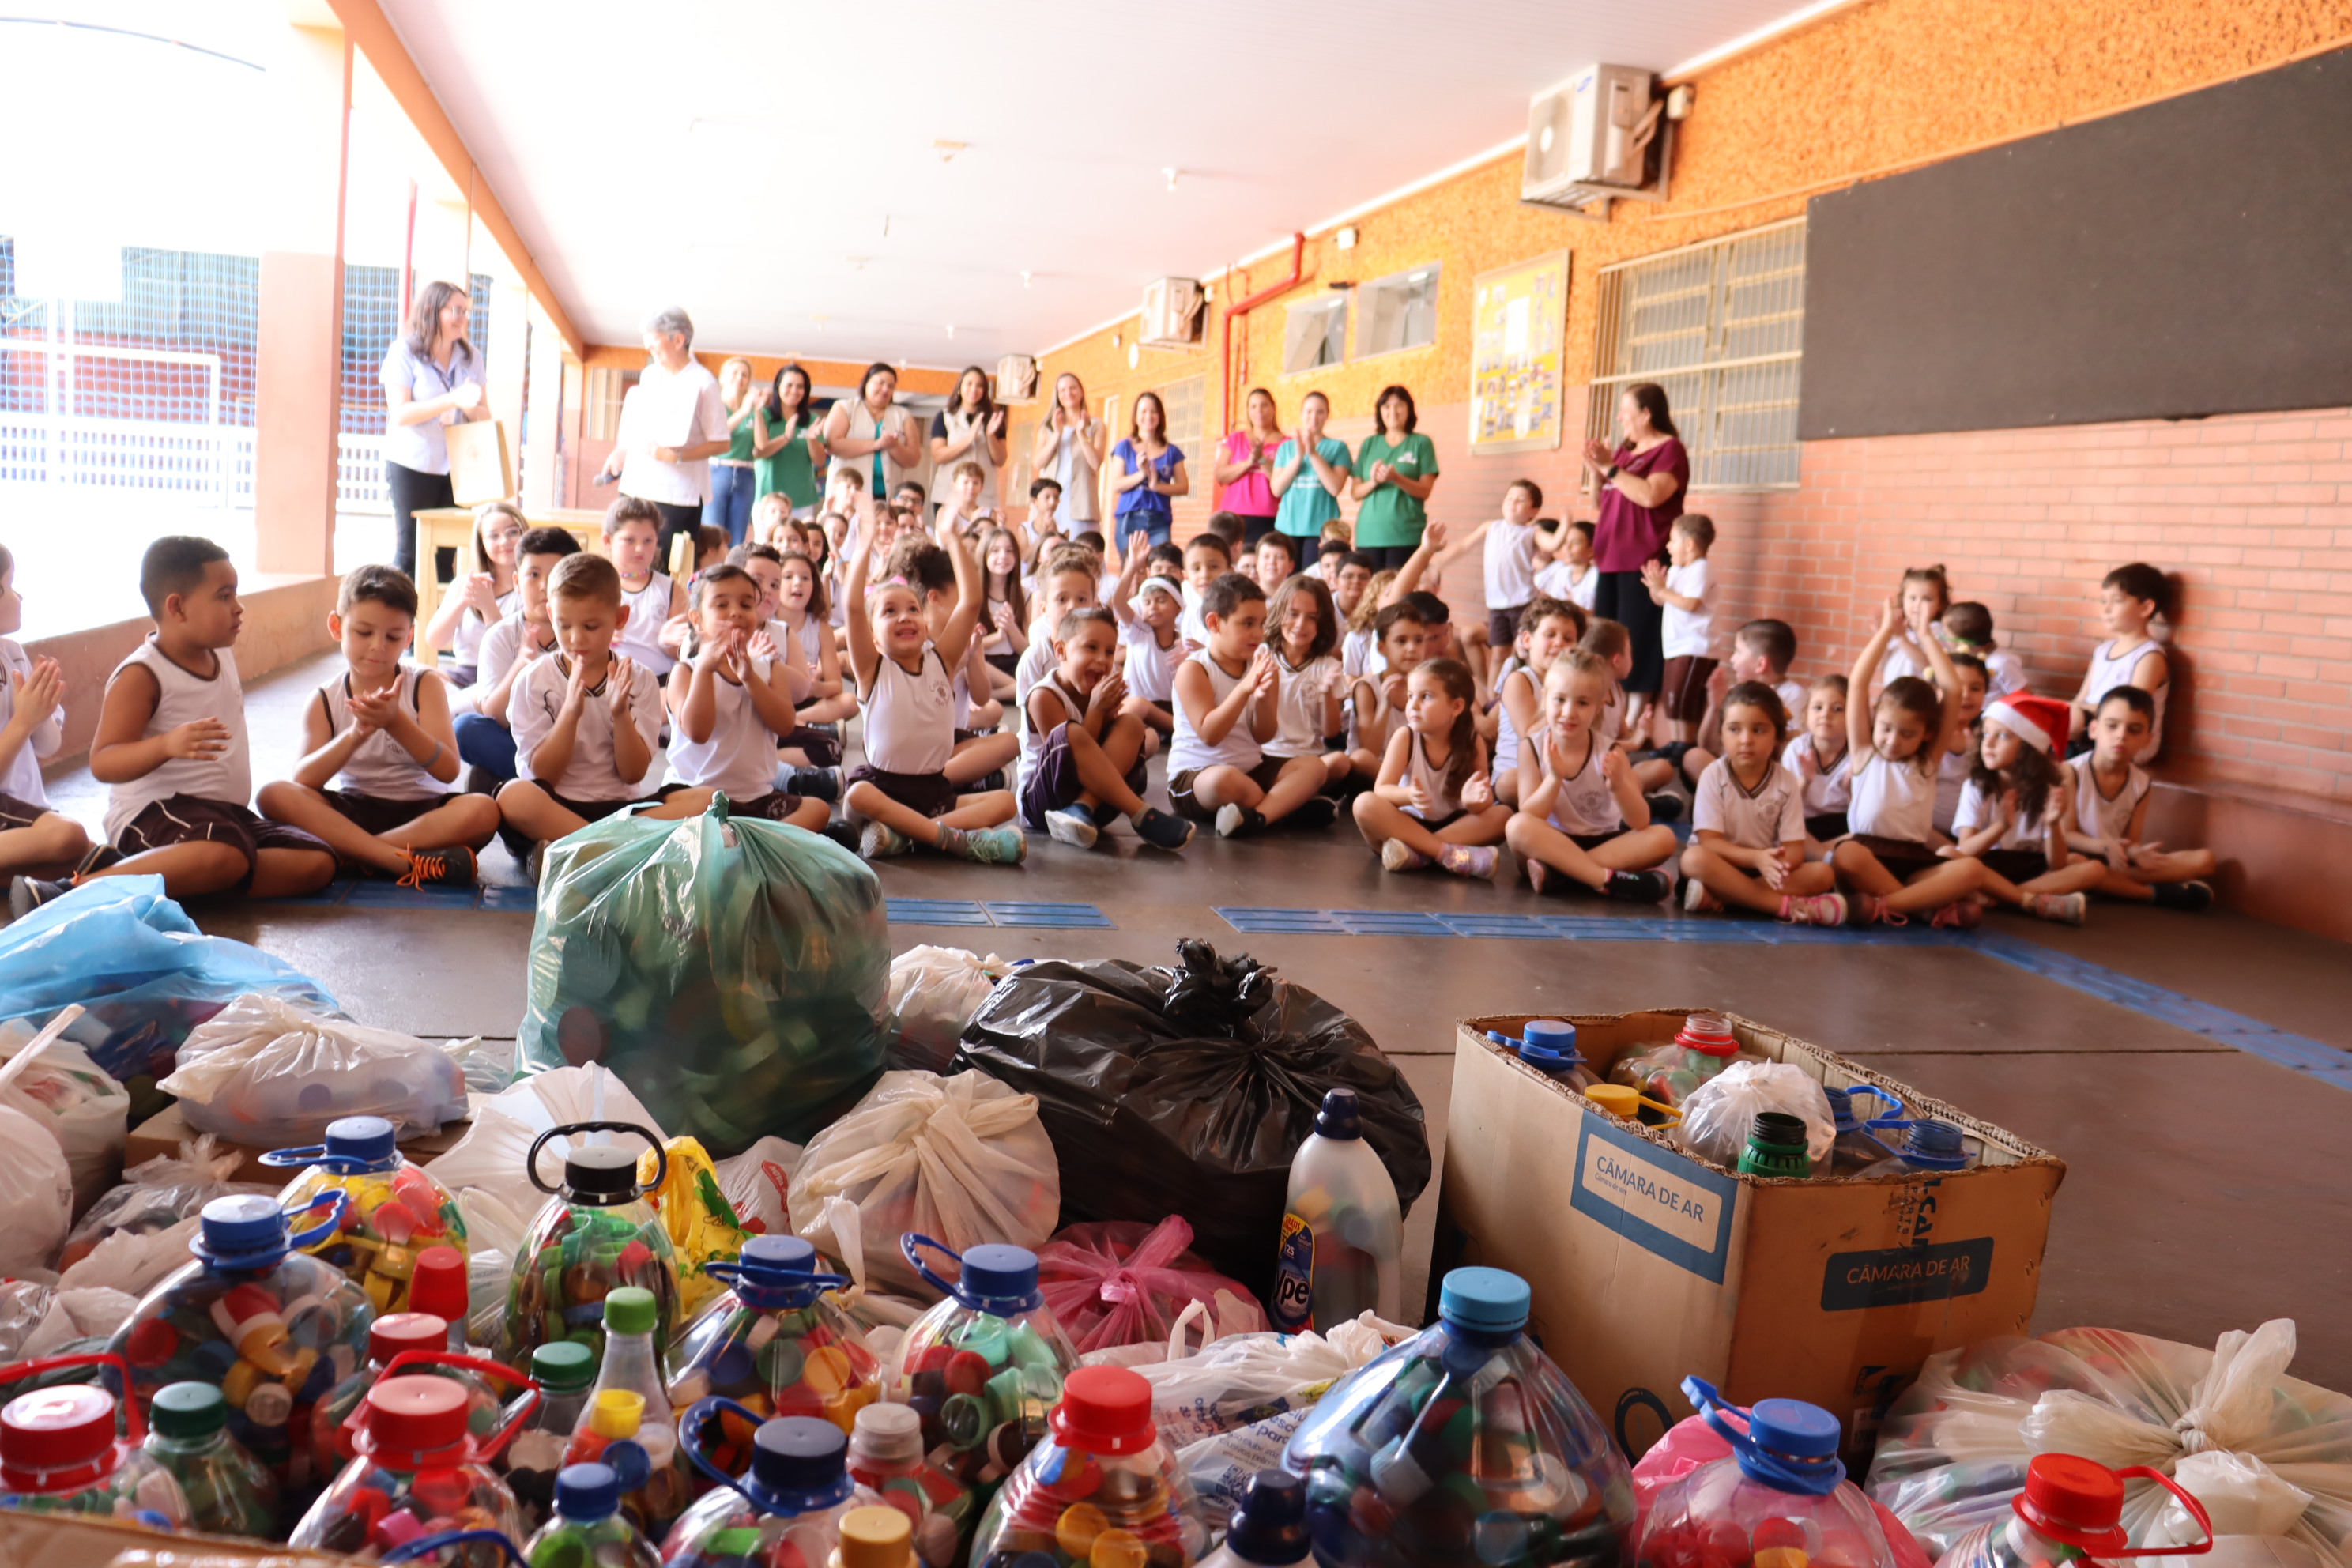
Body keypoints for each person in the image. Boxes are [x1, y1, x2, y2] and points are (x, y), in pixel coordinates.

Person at [13, 537, 337, 914]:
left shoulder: (221, 652)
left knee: (316, 862)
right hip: (153, 817)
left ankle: (149, 881)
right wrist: (166, 745)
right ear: (177, 607)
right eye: (224, 596)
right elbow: (103, 761)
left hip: (220, 819)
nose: (239, 607)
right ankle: (74, 891)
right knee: (228, 856)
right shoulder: (142, 674)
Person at [255, 565, 499, 884]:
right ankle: (397, 861)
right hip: (352, 813)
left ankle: (357, 855)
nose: (377, 647)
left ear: (409, 636)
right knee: (273, 795)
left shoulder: (424, 684)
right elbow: (304, 778)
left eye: (393, 636)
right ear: (337, 626)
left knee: (484, 810)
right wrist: (356, 735)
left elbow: (449, 770)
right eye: (364, 632)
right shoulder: (325, 699)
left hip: (422, 815)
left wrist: (397, 722)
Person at [495, 554, 711, 861]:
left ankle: (581, 852)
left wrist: (620, 715)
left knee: (706, 799)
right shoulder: (532, 680)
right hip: (557, 807)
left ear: (620, 618)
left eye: (591, 626)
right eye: (564, 625)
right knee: (514, 798)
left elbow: (633, 774)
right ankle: (618, 852)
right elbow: (543, 775)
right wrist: (570, 713)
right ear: (549, 613)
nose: (576, 638)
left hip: (620, 811)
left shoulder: (639, 679)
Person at [841, 524, 1023, 863]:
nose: (905, 617)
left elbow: (970, 602)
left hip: (932, 791)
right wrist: (865, 543)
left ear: (925, 623)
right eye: (890, 612)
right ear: (874, 638)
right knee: (858, 795)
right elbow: (852, 607)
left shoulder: (943, 661)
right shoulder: (872, 670)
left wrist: (952, 538)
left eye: (913, 609)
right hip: (883, 789)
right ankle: (953, 840)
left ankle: (904, 838)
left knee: (1006, 802)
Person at [1832, 594, 1988, 926]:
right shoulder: (1864, 753)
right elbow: (1858, 684)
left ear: (1927, 735)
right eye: (1886, 729)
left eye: (1906, 734)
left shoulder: (1927, 762)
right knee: (1846, 854)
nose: (1892, 741)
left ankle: (1888, 905)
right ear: (1875, 721)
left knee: (1972, 869)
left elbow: (1952, 690)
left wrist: (1927, 635)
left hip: (1914, 863)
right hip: (1867, 857)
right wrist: (1886, 632)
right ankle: (1925, 908)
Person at [664, 564, 831, 833]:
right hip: (695, 795)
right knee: (676, 810)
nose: (736, 613)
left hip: (756, 798)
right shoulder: (686, 671)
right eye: (721, 605)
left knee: (818, 810)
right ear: (697, 620)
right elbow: (698, 731)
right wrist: (706, 669)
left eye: (746, 604)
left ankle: (738, 843)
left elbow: (785, 725)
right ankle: (758, 845)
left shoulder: (770, 667)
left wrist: (750, 677)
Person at [1168, 573, 1335, 839]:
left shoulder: (1261, 665)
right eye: (1247, 623)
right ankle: (1285, 808)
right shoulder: (1194, 668)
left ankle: (1258, 817)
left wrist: (1263, 698)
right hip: (1197, 775)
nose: (1258, 633)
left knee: (1314, 767)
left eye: (1261, 623)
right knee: (1224, 781)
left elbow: (1263, 735)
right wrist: (1246, 689)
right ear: (1215, 623)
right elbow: (1210, 734)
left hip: (1250, 769)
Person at [1504, 651, 1679, 901]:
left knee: (1663, 837)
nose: (1569, 712)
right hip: (1551, 846)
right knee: (1517, 826)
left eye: (1582, 703)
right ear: (1544, 700)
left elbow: (1640, 821)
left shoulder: (1610, 751)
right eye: (1560, 700)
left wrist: (1619, 786)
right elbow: (1531, 814)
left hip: (1603, 844)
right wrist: (1554, 778)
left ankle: (1563, 876)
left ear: (1598, 708)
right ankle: (1607, 880)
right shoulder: (1532, 747)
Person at [1021, 607, 1194, 852]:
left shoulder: (1100, 688)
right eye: (1091, 647)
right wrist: (1096, 710)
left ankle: (1083, 807)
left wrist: (1110, 717)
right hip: (1043, 806)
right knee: (1071, 732)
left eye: (1110, 651)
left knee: (1132, 723)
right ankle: (1141, 814)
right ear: (1061, 651)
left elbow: (1103, 750)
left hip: (1097, 801)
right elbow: (1068, 761)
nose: (1102, 659)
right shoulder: (1043, 696)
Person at [1678, 684, 1846, 924]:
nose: (1746, 740)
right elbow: (1710, 842)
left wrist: (1775, 864)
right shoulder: (1713, 775)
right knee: (1693, 859)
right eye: (1734, 729)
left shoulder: (1786, 782)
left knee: (1823, 873)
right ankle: (1782, 906)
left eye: (1758, 730)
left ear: (1778, 735)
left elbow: (1796, 849)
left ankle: (1725, 898)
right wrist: (1756, 857)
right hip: (1720, 865)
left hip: (1765, 872)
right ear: (1721, 733)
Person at [1582, 382, 1689, 736]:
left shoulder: (1669, 450)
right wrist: (1599, 473)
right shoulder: (1625, 454)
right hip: (1609, 559)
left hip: (1643, 560)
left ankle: (1633, 722)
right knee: (1602, 640)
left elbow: (1650, 496)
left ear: (1647, 413)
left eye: (1626, 411)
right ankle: (1603, 708)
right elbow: (1603, 502)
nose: (1620, 418)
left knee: (1636, 640)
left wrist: (1611, 468)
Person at [1944, 692, 2098, 924]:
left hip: (2028, 870)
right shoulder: (1977, 787)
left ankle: (2004, 898)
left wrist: (2054, 823)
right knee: (1948, 856)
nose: (1989, 742)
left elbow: (2056, 864)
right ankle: (2028, 900)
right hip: (1988, 868)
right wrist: (2000, 827)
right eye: (1986, 734)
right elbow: (1964, 852)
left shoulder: (2048, 790)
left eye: (2003, 736)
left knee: (2089, 867)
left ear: (2029, 748)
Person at [599, 307, 734, 561]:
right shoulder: (650, 375)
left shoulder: (704, 383)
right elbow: (640, 423)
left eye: (654, 340)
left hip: (678, 493)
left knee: (666, 563)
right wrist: (621, 451)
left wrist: (679, 456)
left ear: (679, 340)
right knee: (625, 557)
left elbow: (721, 442)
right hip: (637, 483)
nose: (648, 347)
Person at [1353, 658, 1508, 877]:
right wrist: (1408, 795)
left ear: (1456, 707)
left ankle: (1417, 855)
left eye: (1425, 697)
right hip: (1407, 825)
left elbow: (1483, 805)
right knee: (1364, 804)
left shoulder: (1473, 743)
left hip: (1454, 828)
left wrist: (1473, 803)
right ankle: (1446, 854)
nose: (1413, 705)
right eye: (1410, 696)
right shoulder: (1405, 737)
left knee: (1503, 815)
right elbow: (1382, 789)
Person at [2064, 686, 2216, 909]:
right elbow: (2065, 835)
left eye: (2134, 730)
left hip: (2110, 863)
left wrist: (2136, 852)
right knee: (2076, 864)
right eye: (2112, 726)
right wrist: (2104, 846)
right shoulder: (2070, 772)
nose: (2121, 735)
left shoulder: (2141, 783)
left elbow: (2130, 840)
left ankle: (2102, 885)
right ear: (2094, 729)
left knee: (2205, 860)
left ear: (2148, 739)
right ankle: (2151, 894)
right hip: (2071, 859)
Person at [379, 281, 489, 584]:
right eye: (456, 310)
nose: (463, 318)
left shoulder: (471, 358)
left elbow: (484, 416)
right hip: (412, 463)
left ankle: (436, 630)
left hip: (456, 468)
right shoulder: (404, 352)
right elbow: (400, 414)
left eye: (466, 311)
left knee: (445, 555)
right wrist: (451, 399)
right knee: (410, 553)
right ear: (431, 310)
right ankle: (402, 631)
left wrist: (468, 406)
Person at [454, 526, 576, 792]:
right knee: (466, 728)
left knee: (486, 779)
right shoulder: (500, 636)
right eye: (533, 575)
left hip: (573, 744)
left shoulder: (582, 633)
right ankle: (542, 790)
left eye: (555, 575)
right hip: (518, 741)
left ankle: (532, 792)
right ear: (517, 582)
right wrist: (522, 663)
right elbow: (495, 714)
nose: (544, 586)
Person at [0, 545, 90, 885]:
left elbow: (48, 746)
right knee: (68, 838)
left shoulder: (13, 655)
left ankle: (35, 887)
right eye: (10, 585)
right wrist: (23, 720)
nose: (19, 596)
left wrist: (42, 713)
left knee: (89, 855)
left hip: (24, 811)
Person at [1675, 617, 1803, 786]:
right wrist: (1715, 706)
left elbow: (1786, 750)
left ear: (1761, 664)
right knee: (1694, 757)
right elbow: (1707, 745)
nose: (1733, 659)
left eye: (1738, 652)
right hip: (1729, 774)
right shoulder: (1736, 692)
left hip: (1764, 775)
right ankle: (1727, 798)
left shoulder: (1793, 694)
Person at [2068, 562, 2172, 763]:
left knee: (2071, 720)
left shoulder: (2150, 656)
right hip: (2092, 727)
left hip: (2126, 735)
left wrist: (2080, 713)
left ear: (2146, 607)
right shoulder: (2102, 651)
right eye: (2104, 600)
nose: (2106, 609)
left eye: (2117, 601)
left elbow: (2129, 710)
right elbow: (2081, 698)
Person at [1264, 573, 1351, 794]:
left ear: (1322, 623)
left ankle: (1290, 797)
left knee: (1340, 762)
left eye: (1312, 618)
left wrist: (1326, 694)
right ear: (1278, 612)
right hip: (1263, 755)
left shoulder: (1328, 666)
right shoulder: (1261, 656)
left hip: (1308, 758)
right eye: (1293, 614)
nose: (1301, 625)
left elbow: (1331, 731)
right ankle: (1297, 799)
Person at [1493, 597, 1583, 806]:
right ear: (1527, 640)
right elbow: (1530, 734)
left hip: (1559, 771)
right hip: (1518, 775)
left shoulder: (1577, 684)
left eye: (1568, 639)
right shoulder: (1519, 680)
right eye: (1550, 635)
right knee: (1509, 783)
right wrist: (1562, 693)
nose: (1559, 643)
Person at [424, 500, 524, 688]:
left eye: (513, 532)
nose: (504, 541)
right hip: (463, 675)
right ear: (481, 543)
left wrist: (489, 609)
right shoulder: (464, 584)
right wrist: (462, 602)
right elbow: (434, 640)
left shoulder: (530, 590)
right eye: (494, 536)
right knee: (415, 678)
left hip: (506, 678)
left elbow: (512, 653)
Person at [1436, 479, 1540, 651]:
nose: (1512, 502)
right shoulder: (1491, 527)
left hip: (1523, 602)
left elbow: (1551, 545)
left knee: (1522, 650)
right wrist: (1439, 561)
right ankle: (1492, 680)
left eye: (1520, 500)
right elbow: (1464, 546)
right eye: (1509, 497)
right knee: (1498, 652)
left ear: (1534, 510)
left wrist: (1564, 527)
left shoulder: (1530, 533)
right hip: (1497, 604)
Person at [1643, 513, 1716, 747]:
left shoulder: (1701, 568)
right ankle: (1675, 741)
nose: (1668, 546)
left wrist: (1663, 591)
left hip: (1695, 646)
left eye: (1672, 540)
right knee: (1671, 696)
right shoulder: (1676, 569)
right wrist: (1656, 587)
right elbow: (1662, 600)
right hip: (1675, 645)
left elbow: (1690, 603)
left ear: (1689, 544)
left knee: (1685, 699)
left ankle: (1686, 743)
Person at [1351, 386, 1441, 571]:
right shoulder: (1369, 443)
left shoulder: (1421, 443)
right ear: (1380, 411)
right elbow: (1355, 492)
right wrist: (1374, 481)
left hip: (1406, 534)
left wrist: (1397, 478)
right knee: (1369, 594)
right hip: (1369, 534)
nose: (1393, 411)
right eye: (1386, 406)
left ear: (1409, 409)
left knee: (1399, 594)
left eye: (1399, 406)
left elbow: (1425, 491)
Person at [823, 363, 925, 518]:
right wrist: (876, 445)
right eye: (880, 383)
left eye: (890, 386)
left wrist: (893, 446)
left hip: (887, 496)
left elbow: (914, 459)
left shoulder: (903, 415)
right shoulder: (845, 407)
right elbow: (832, 445)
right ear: (866, 383)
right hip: (850, 495)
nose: (885, 390)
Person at [1346, 600, 1430, 779]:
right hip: (1375, 769)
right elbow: (1369, 750)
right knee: (1361, 758)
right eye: (1401, 641)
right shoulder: (1367, 688)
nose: (1412, 648)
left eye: (1418, 640)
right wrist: (1385, 706)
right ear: (1382, 648)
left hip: (1410, 768)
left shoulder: (1429, 686)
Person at [602, 498, 684, 680]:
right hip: (608, 678)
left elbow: (683, 653)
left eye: (648, 540)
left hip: (660, 681)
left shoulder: (670, 589)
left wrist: (667, 642)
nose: (640, 548)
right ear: (608, 540)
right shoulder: (595, 584)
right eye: (629, 540)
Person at [1272, 393, 1354, 568]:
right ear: (1302, 414)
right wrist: (1298, 458)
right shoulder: (1286, 448)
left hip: (1321, 530)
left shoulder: (1338, 448)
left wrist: (1313, 454)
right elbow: (1277, 489)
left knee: (1313, 583)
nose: (1314, 417)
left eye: (1320, 412)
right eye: (1309, 412)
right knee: (1287, 584)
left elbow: (1335, 487)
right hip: (1287, 526)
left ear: (1327, 415)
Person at [1785, 673, 1854, 855]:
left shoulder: (1858, 755)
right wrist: (1805, 780)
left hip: (1841, 826)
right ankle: (1825, 859)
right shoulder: (1797, 748)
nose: (1825, 715)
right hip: (1803, 825)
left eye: (1838, 709)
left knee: (1862, 837)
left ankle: (1820, 857)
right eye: (1817, 707)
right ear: (1806, 713)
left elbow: (1861, 817)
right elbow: (1785, 806)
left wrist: (1849, 791)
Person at [1109, 390, 1188, 548]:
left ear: (1160, 416)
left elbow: (1184, 487)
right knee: (1131, 568)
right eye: (1143, 411)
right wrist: (1142, 475)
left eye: (1153, 411)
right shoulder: (1124, 446)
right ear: (1135, 416)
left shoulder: (1172, 451)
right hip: (1129, 517)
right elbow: (1115, 485)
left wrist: (1157, 486)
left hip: (1160, 519)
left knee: (1160, 565)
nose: (1148, 416)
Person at [750, 362, 827, 525]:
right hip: (767, 496)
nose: (794, 390)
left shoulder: (812, 419)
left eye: (800, 386)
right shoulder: (764, 415)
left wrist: (812, 439)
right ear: (778, 387)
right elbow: (759, 452)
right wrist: (786, 437)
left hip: (801, 497)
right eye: (789, 385)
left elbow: (820, 462)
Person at [1031, 373, 1107, 531]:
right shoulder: (1048, 427)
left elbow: (1095, 463)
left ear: (1081, 392)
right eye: (1062, 390)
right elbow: (1038, 463)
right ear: (1057, 396)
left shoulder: (1096, 425)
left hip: (1081, 505)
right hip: (1050, 503)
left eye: (1073, 388)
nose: (1068, 393)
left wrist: (1081, 433)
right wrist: (1057, 435)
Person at [1117, 571, 1188, 737]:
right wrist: (1132, 565)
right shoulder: (1140, 632)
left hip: (1169, 713)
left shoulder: (1183, 643)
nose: (1153, 607)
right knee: (1140, 708)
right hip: (1137, 709)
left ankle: (1185, 732)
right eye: (1147, 602)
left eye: (1161, 601)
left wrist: (1195, 654)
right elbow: (1118, 601)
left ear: (1178, 607)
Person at [930, 365, 1009, 514]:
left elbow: (1001, 460)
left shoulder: (994, 419)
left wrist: (990, 436)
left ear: (985, 391)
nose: (974, 389)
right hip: (949, 494)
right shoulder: (944, 417)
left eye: (980, 385)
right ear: (960, 388)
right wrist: (969, 439)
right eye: (969, 384)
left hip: (984, 497)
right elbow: (938, 456)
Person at [1214, 388, 1285, 547]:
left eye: (1264, 405)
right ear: (1248, 411)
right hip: (1233, 516)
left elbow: (1283, 482)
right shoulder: (1236, 439)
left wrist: (1261, 459)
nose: (1259, 411)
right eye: (1253, 406)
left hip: (1268, 516)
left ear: (1273, 408)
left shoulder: (1287, 444)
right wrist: (1248, 462)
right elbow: (1220, 475)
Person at [705, 357, 762, 546]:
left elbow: (761, 445)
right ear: (722, 378)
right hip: (717, 471)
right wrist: (744, 412)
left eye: (744, 375)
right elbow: (718, 433)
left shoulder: (752, 409)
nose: (740, 378)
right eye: (734, 373)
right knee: (713, 532)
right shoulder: (715, 405)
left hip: (746, 473)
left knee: (737, 537)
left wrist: (757, 410)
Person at [1873, 565, 1952, 691]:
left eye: (1927, 599)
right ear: (1903, 600)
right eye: (1912, 598)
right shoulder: (1900, 628)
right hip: (1892, 694)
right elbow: (1880, 665)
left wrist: (1901, 638)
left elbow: (1928, 668)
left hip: (1918, 697)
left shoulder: (1939, 632)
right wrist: (1881, 636)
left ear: (1941, 604)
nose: (1918, 605)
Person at [978, 526, 1031, 688]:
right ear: (984, 554)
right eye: (995, 550)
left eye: (1009, 551)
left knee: (1031, 682)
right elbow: (966, 647)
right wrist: (998, 637)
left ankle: (996, 695)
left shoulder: (1025, 594)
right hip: (983, 664)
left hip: (1013, 663)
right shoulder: (974, 593)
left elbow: (1027, 650)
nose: (1003, 556)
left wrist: (1011, 628)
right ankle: (1016, 690)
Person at [1943, 602, 2026, 697]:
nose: (1944, 638)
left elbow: (2024, 699)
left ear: (1962, 643)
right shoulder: (1966, 660)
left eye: (1946, 634)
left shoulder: (2000, 663)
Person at [1177, 533, 1232, 647]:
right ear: (1186, 575)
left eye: (1214, 567)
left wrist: (1204, 653)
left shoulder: (1237, 609)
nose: (1205, 575)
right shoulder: (1187, 606)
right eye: (1196, 569)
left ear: (1230, 571)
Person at [1535, 519, 1599, 612]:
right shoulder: (1562, 573)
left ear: (1590, 550)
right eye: (1565, 542)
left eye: (1575, 543)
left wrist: (1572, 609)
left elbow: (1602, 614)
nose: (1567, 548)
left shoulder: (1597, 576)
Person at [1253, 530, 1300, 596]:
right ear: (1257, 564)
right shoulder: (1245, 599)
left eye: (1279, 557)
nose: (1272, 562)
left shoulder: (1298, 600)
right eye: (1266, 557)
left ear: (1291, 565)